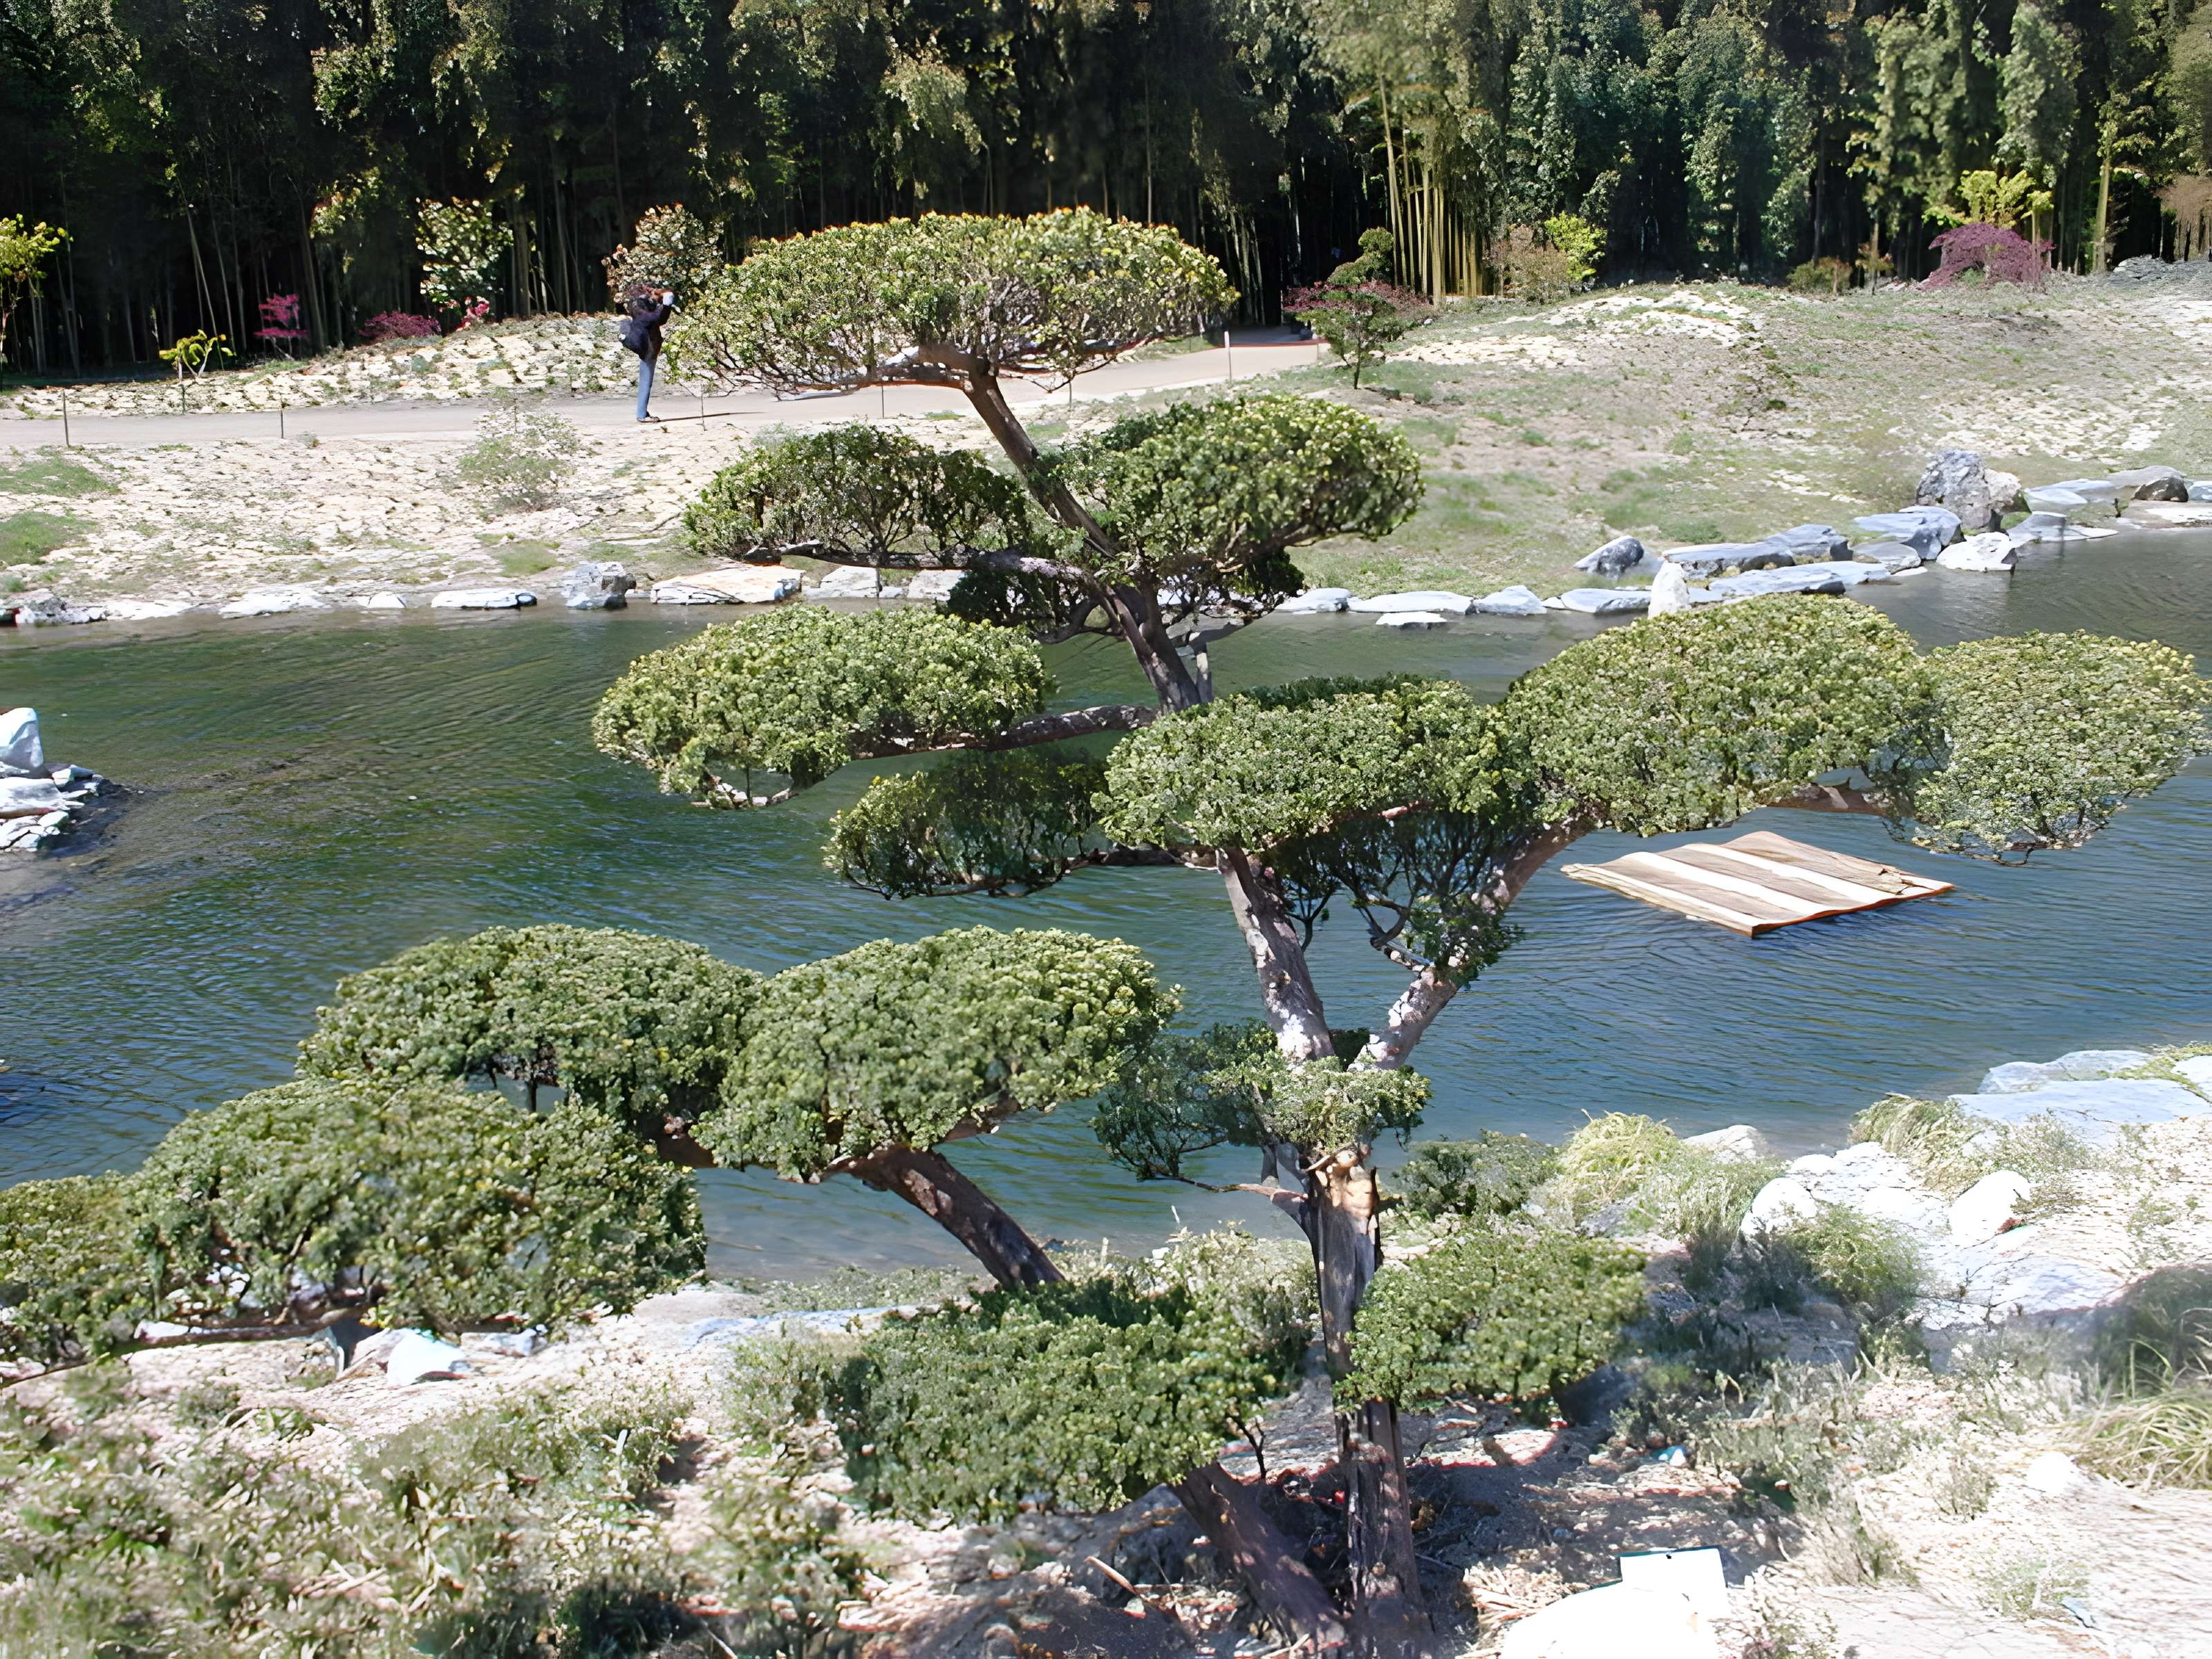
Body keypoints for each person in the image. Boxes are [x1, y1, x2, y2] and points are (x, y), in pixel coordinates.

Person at [619, 289, 677, 423]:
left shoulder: (649, 303)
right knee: (646, 380)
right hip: (645, 346)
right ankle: (641, 415)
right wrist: (666, 305)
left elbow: (661, 320)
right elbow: (648, 319)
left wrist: (666, 307)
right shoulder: (638, 303)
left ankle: (642, 412)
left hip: (650, 345)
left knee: (647, 380)